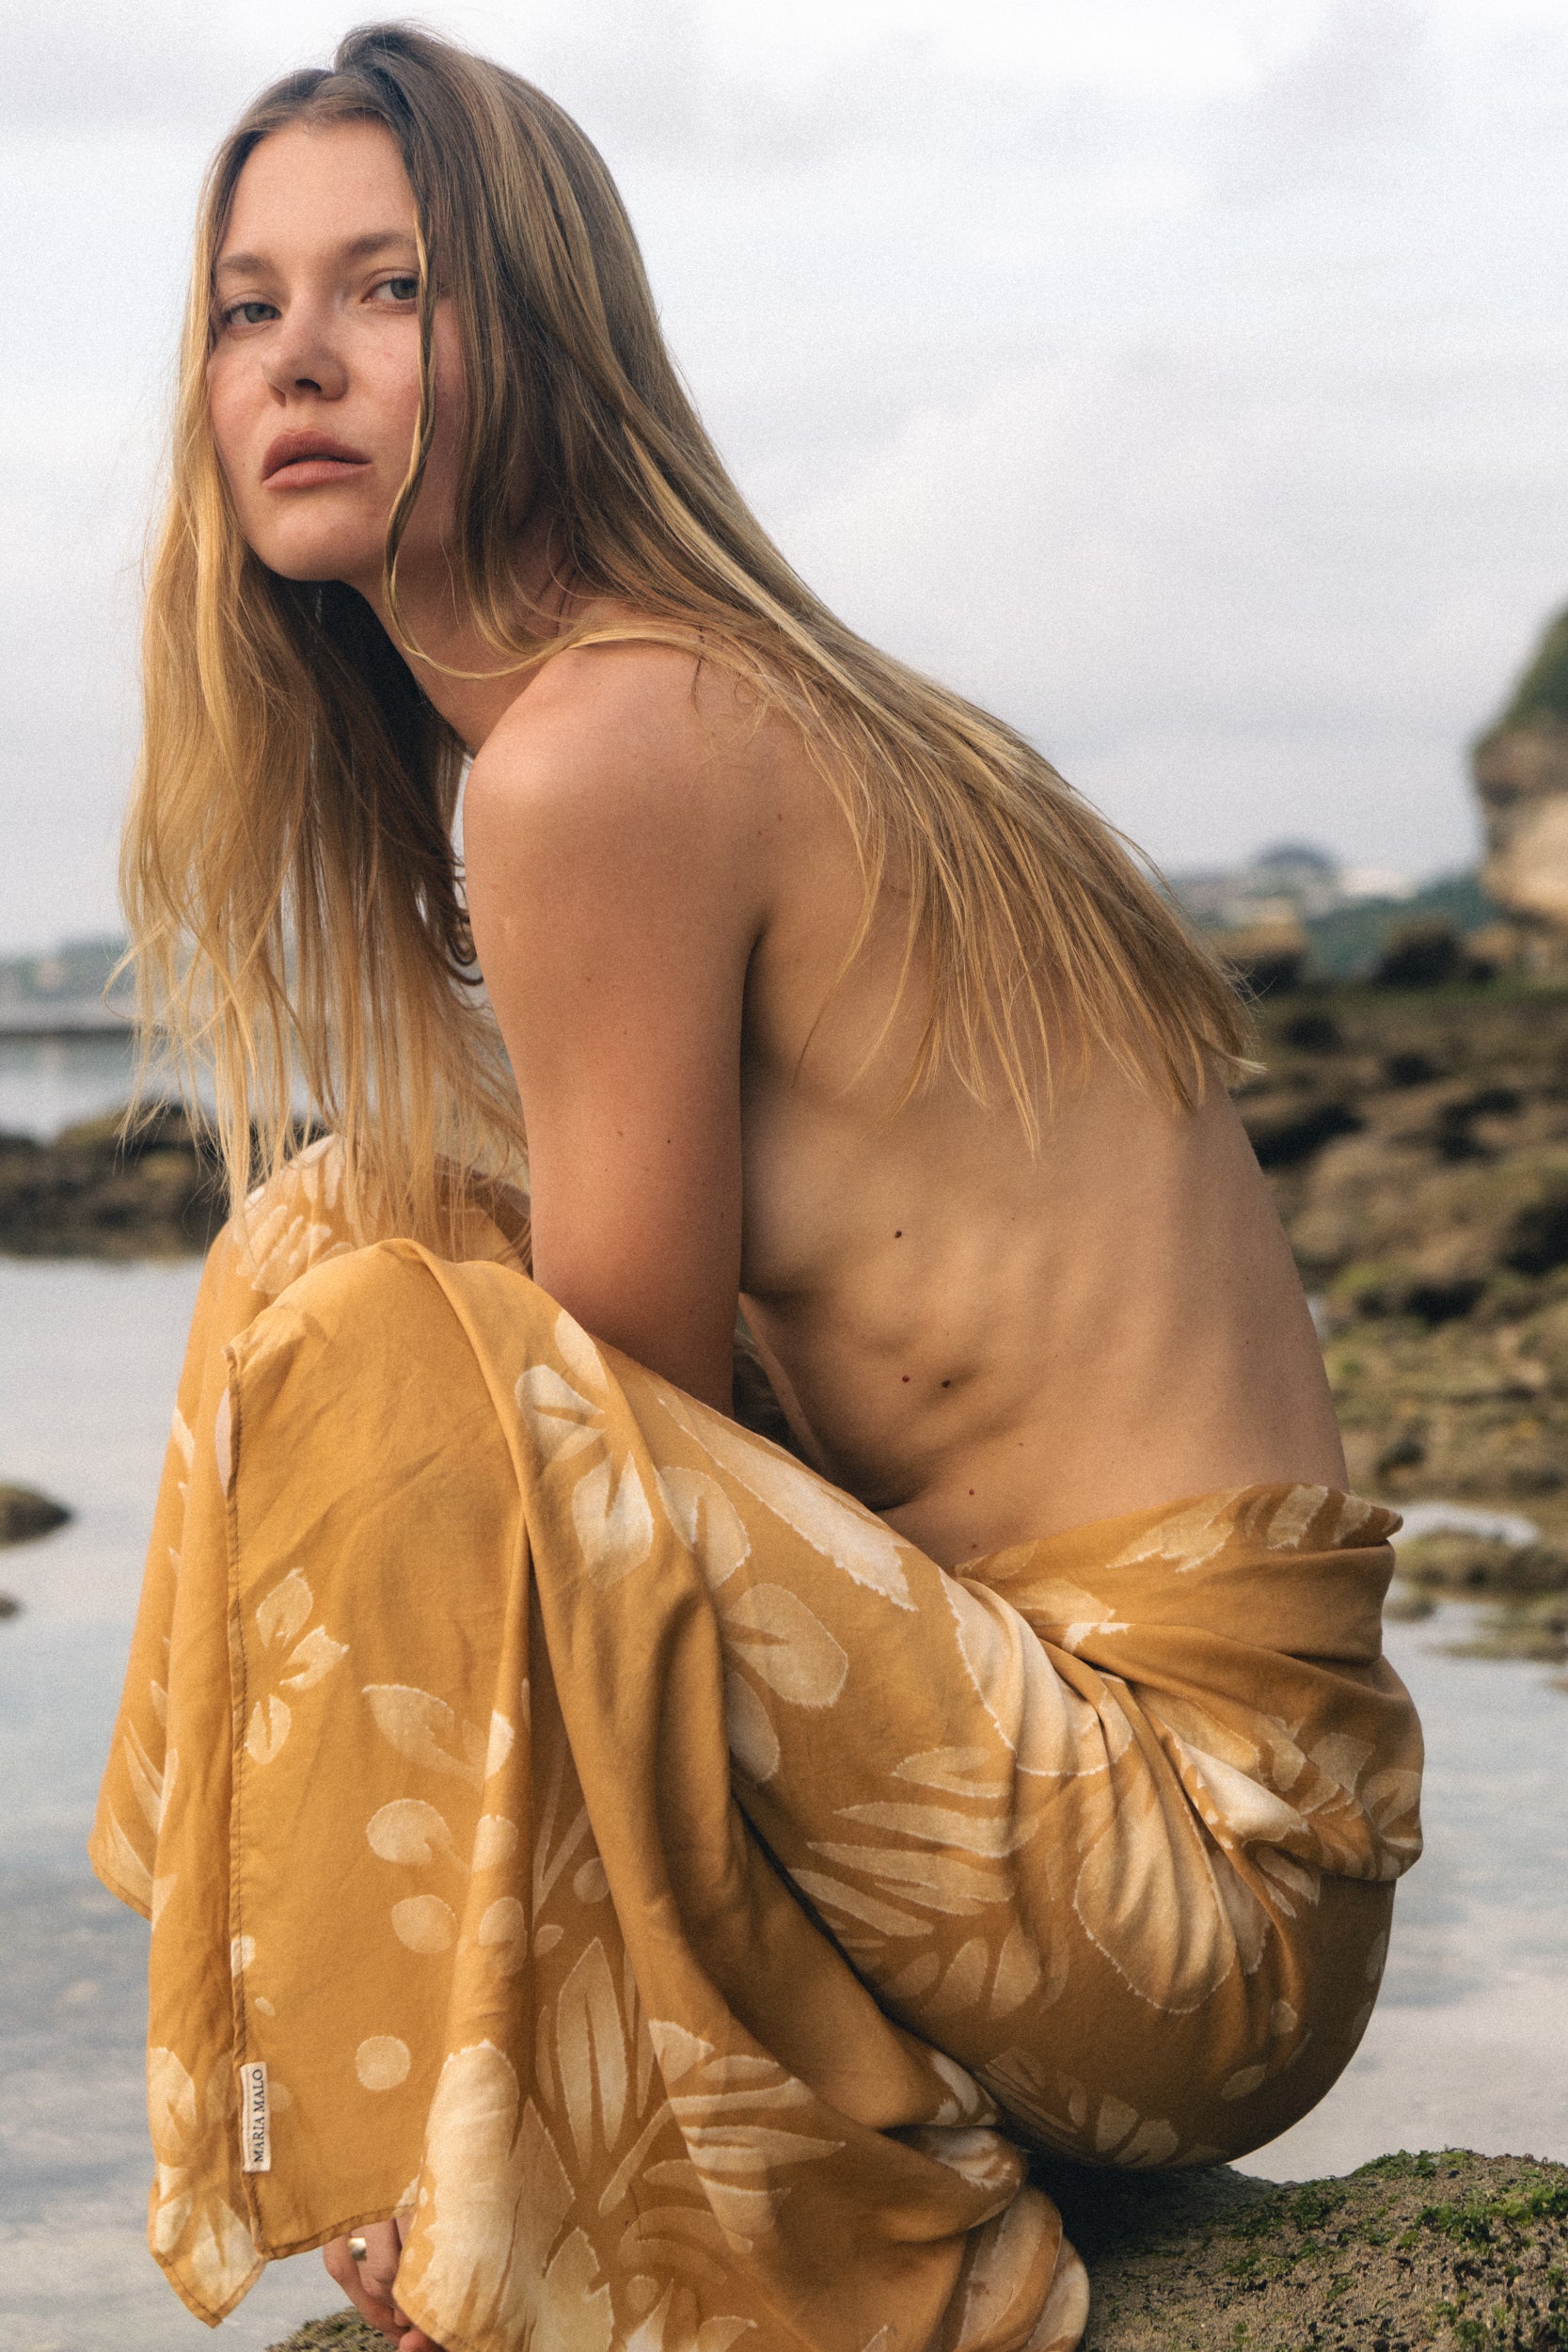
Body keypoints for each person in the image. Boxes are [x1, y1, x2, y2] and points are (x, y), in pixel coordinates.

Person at [90, 26, 1422, 2352]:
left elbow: (591, 1480)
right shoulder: (695, 704)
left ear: (546, 335)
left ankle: (519, 2149)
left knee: (384, 1325)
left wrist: (511, 2107)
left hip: (1186, 1879)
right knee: (345, 1223)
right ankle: (400, 2080)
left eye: (391, 287)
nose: (299, 359)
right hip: (1133, 1824)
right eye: (245, 306)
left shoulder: (607, 751)